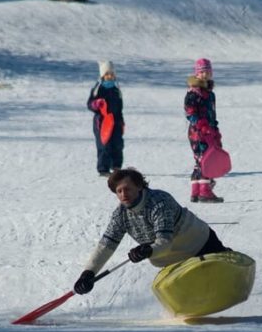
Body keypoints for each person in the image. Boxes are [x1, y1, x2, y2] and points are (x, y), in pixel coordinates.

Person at [73, 168, 230, 295]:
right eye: (118, 191)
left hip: (200, 244)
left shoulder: (159, 202)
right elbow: (106, 246)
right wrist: (88, 273)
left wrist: (147, 250)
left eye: (127, 189)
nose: (123, 194)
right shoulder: (120, 215)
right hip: (171, 261)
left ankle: (228, 264)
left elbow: (164, 242)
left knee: (220, 277)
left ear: (140, 186)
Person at [184, 57, 223, 203]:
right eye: (202, 72)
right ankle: (205, 192)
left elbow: (212, 114)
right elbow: (190, 112)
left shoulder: (210, 94)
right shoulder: (194, 92)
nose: (205, 75)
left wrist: (215, 129)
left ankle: (196, 191)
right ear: (197, 74)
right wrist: (201, 125)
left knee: (200, 161)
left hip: (209, 131)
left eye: (208, 72)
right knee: (206, 160)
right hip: (198, 132)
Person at [87, 61, 125, 177]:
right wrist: (96, 104)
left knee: (117, 144)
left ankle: (116, 166)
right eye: (107, 74)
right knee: (104, 144)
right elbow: (90, 104)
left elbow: (119, 107)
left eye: (112, 74)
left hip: (116, 121)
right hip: (102, 122)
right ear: (103, 75)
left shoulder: (116, 89)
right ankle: (103, 168)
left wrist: (121, 121)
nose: (110, 76)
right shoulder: (98, 89)